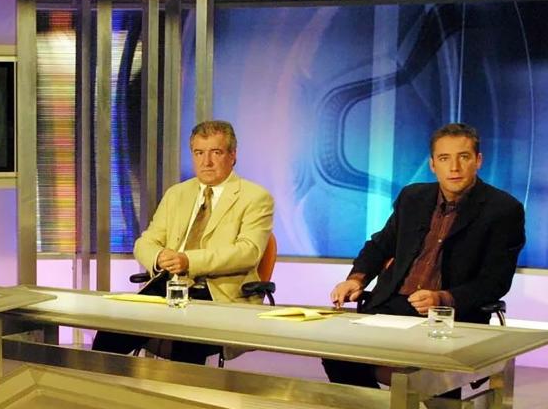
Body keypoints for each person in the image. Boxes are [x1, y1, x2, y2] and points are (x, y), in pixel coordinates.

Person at [324, 123, 526, 387]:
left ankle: (424, 399)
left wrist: (441, 298)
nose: (454, 167)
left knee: (430, 372)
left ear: (478, 160)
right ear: (433, 164)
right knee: (337, 355)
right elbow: (380, 245)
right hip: (391, 306)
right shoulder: (413, 197)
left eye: (463, 157)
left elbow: (495, 281)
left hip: (449, 315)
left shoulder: (503, 209)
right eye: (444, 158)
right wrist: (356, 280)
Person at [91, 120, 275, 364]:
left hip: (218, 292)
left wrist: (189, 260)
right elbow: (146, 242)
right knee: (110, 334)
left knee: (185, 335)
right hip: (169, 287)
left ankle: (180, 400)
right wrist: (158, 257)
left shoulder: (255, 197)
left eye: (216, 153)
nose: (206, 162)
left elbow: (248, 252)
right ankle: (101, 397)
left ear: (233, 155)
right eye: (199, 153)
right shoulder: (177, 194)